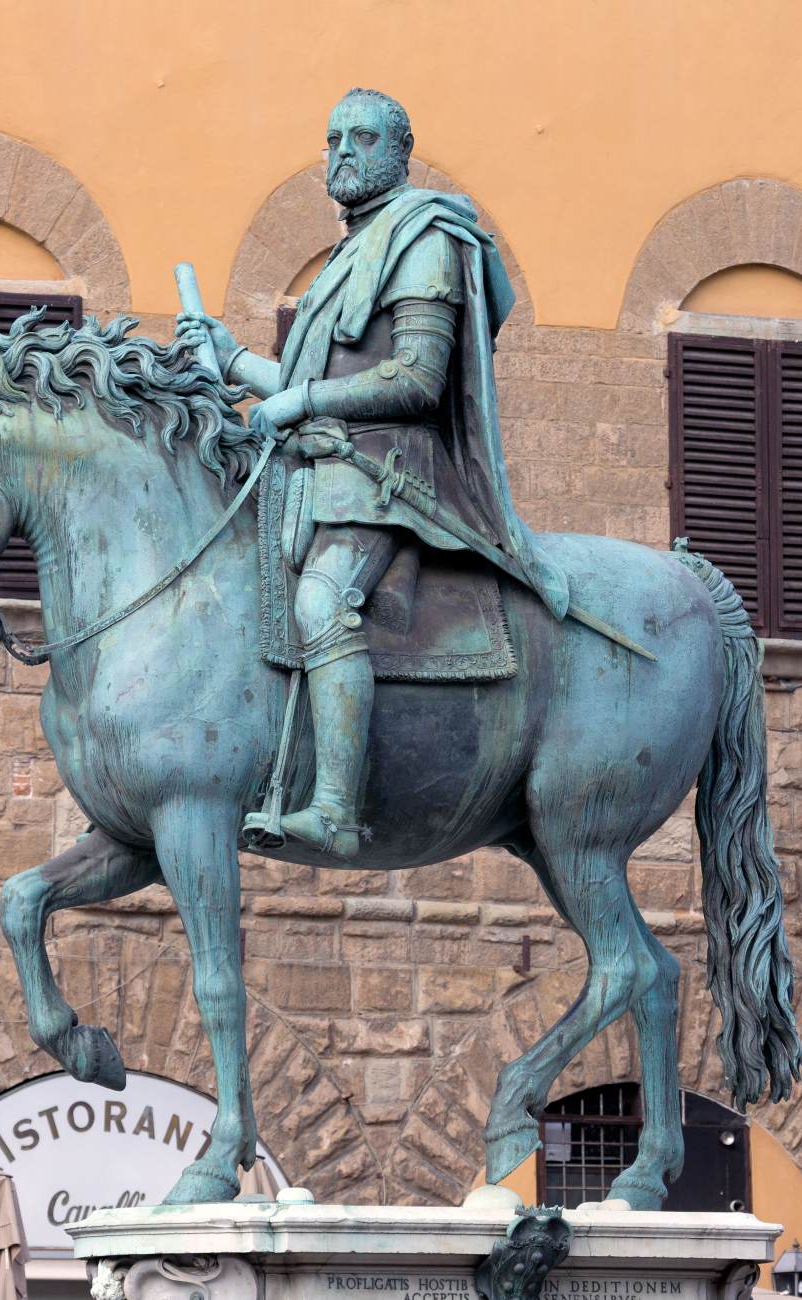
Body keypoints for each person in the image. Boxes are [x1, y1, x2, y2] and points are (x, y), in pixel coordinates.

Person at [177, 87, 566, 859]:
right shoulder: (354, 251)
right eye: (331, 139)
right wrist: (227, 358)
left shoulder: (422, 238)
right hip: (322, 472)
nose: (342, 152)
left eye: (360, 137)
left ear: (399, 152)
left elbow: (418, 379)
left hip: (388, 479)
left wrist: (300, 401)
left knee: (323, 601)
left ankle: (335, 811)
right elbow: (298, 378)